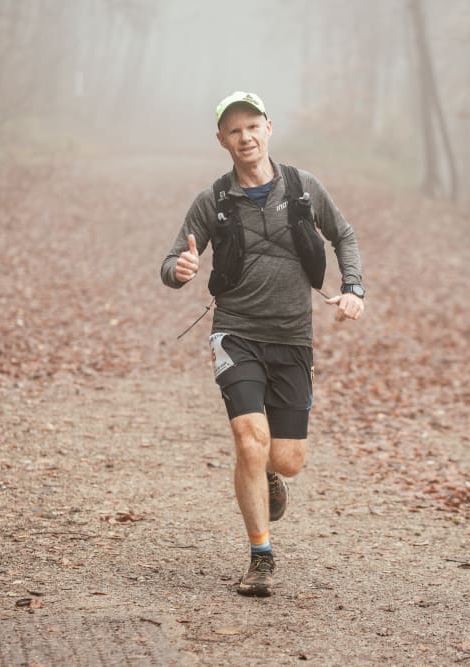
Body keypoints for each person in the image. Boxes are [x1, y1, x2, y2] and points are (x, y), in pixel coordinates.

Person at [160, 91, 365, 597]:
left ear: (268, 128)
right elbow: (170, 263)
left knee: (286, 458)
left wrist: (354, 288)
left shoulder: (303, 188)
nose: (245, 137)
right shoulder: (212, 201)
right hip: (236, 333)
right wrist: (179, 270)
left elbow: (344, 235)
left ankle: (271, 474)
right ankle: (261, 556)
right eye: (234, 130)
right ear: (221, 141)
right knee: (250, 438)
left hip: (293, 337)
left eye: (252, 126)